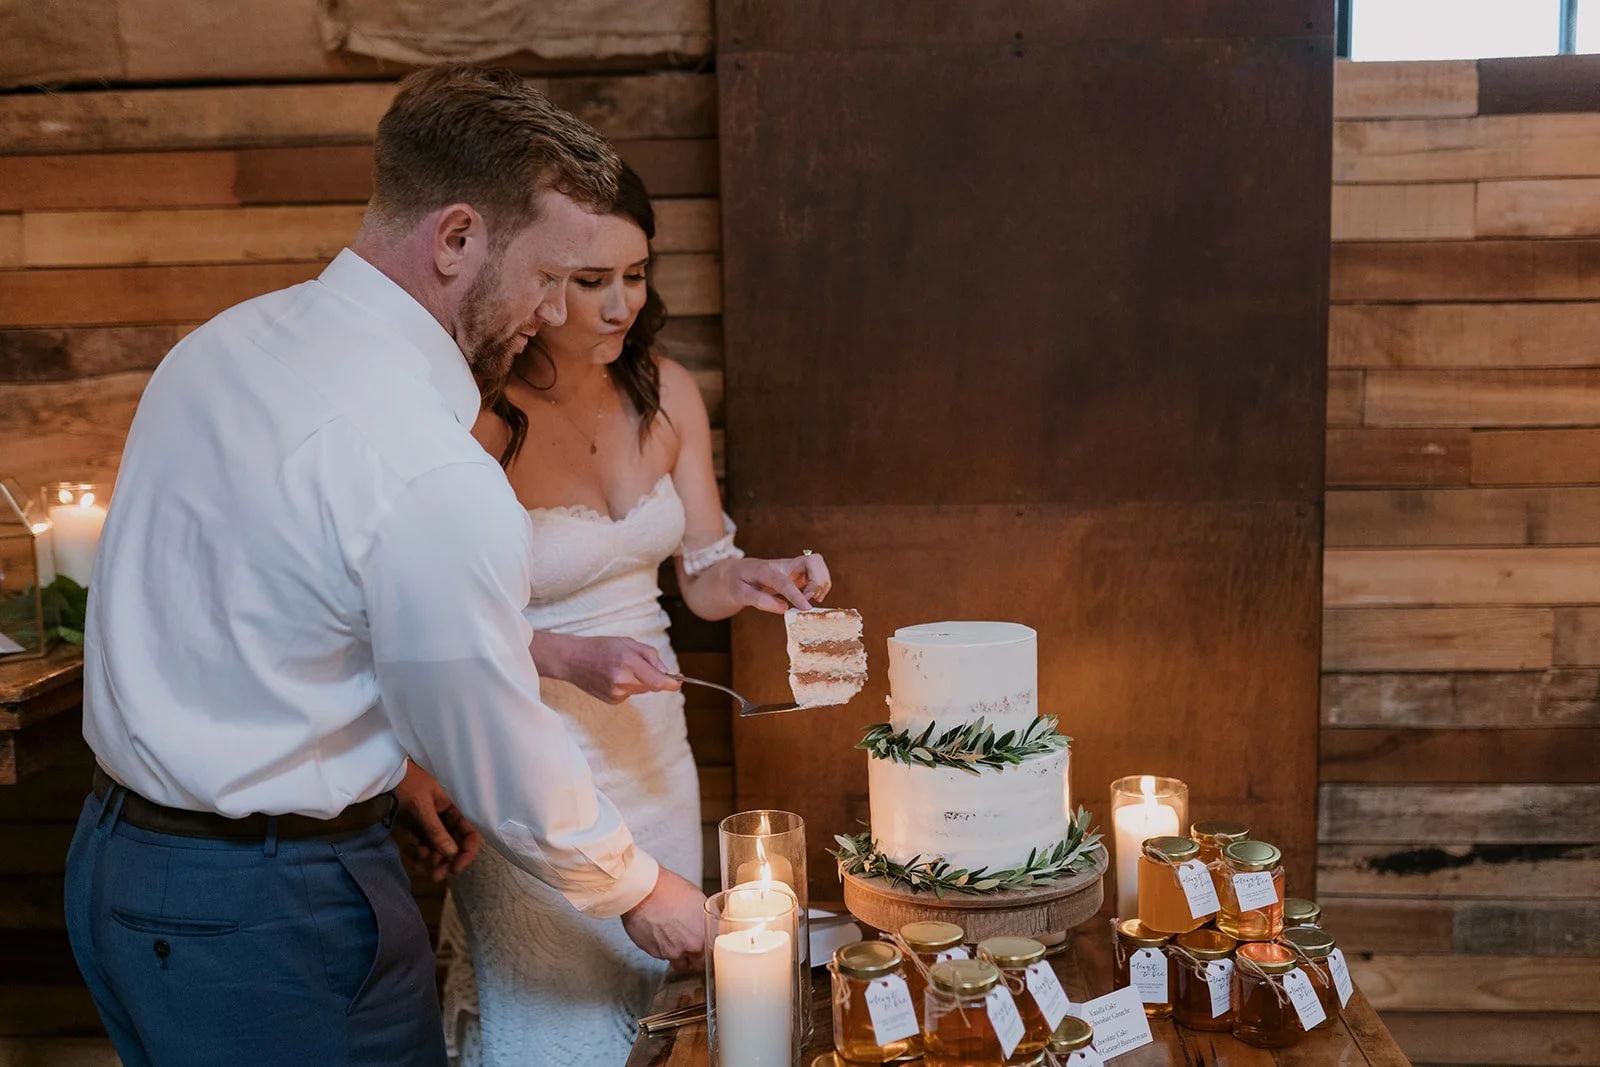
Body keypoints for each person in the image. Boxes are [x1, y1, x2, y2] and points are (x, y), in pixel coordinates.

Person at [63, 65, 703, 1067]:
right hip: (272, 905)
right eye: (545, 276)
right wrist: (640, 888)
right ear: (454, 239)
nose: (549, 312)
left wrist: (381, 767)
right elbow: (488, 730)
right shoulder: (429, 465)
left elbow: (251, 609)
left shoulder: (222, 346)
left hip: (119, 862)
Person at [399, 161, 830, 1065]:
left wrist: (761, 577)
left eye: (636, 275)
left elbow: (704, 575)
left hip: (656, 757)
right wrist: (569, 655)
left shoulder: (667, 390)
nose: (620, 303)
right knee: (554, 1036)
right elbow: (431, 625)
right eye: (592, 281)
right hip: (528, 763)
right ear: (538, 280)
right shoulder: (478, 419)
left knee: (653, 1021)